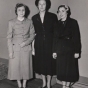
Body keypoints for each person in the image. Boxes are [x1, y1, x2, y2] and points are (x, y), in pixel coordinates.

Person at [53, 5, 81, 88]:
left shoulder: (73, 22)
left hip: (70, 49)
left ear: (67, 12)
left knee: (69, 69)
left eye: (63, 11)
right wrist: (54, 51)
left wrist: (77, 51)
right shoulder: (57, 23)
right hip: (60, 49)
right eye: (59, 11)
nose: (61, 13)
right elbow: (55, 38)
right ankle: (64, 85)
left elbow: (77, 38)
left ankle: (67, 86)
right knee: (61, 69)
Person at [7, 3, 35, 88]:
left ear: (25, 11)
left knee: (26, 67)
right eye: (19, 10)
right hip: (15, 48)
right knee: (16, 67)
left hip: (26, 48)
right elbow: (9, 38)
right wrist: (10, 51)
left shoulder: (29, 22)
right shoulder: (11, 22)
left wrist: (26, 43)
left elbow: (32, 35)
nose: (21, 12)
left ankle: (24, 83)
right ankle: (19, 83)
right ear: (16, 11)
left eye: (23, 10)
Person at [32, 0, 58, 88]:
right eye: (40, 4)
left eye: (44, 4)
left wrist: (55, 47)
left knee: (49, 63)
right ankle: (43, 83)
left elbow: (56, 33)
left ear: (47, 5)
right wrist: (33, 48)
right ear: (37, 5)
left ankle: (48, 84)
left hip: (50, 43)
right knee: (41, 63)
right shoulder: (34, 17)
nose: (42, 6)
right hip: (39, 44)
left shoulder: (53, 16)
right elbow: (33, 34)